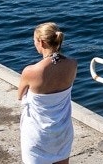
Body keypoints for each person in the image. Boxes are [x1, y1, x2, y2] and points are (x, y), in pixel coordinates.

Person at [18, 22, 77, 164]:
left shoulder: (31, 71)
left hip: (38, 133)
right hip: (63, 130)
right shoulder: (72, 64)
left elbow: (20, 95)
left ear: (42, 42)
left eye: (34, 41)